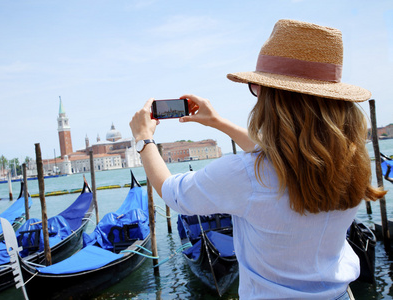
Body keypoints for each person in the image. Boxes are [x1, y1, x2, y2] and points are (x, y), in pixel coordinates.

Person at [129, 19, 387, 299]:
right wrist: (217, 122)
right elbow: (280, 150)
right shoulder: (351, 162)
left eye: (256, 86)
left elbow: (174, 195)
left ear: (271, 96)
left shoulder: (247, 174)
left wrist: (144, 140)